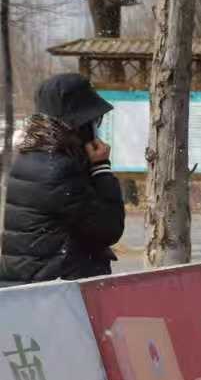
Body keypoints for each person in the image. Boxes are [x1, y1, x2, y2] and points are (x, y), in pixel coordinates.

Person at [0, 75, 123, 285]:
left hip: (29, 285)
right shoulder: (61, 169)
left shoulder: (30, 157)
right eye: (93, 121)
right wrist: (101, 168)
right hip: (56, 291)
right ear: (80, 124)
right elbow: (109, 228)